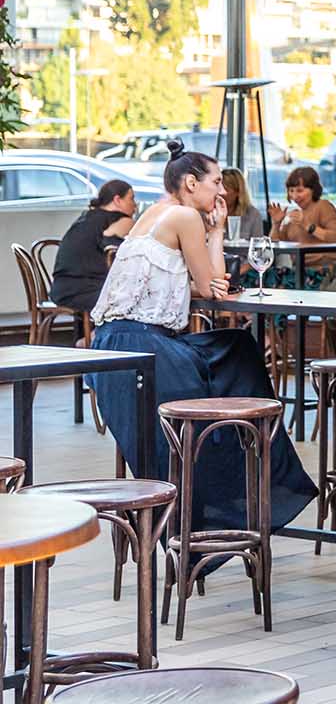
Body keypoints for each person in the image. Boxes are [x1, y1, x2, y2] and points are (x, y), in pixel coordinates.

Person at [87, 141, 316, 533]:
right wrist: (219, 231)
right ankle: (244, 501)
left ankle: (246, 494)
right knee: (237, 359)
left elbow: (193, 287)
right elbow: (212, 287)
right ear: (191, 183)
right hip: (142, 349)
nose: (222, 191)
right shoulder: (184, 217)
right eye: (215, 182)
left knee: (236, 348)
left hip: (114, 347)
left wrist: (214, 240)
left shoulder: (154, 213)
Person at [49, 179, 137, 313]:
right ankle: (97, 334)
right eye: (131, 199)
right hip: (85, 291)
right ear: (117, 200)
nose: (135, 205)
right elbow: (116, 253)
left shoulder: (87, 217)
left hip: (61, 289)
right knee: (134, 298)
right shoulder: (123, 220)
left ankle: (92, 333)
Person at [267, 166, 336, 250]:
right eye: (291, 191)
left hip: (324, 263)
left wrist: (308, 226)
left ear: (313, 189)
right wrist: (276, 224)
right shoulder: (293, 216)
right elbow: (273, 246)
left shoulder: (322, 206)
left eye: (300, 190)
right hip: (297, 263)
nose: (294, 196)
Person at [220, 168, 267, 241]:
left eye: (225, 189)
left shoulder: (253, 214)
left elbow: (257, 245)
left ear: (238, 191)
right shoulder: (208, 213)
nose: (220, 193)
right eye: (218, 189)